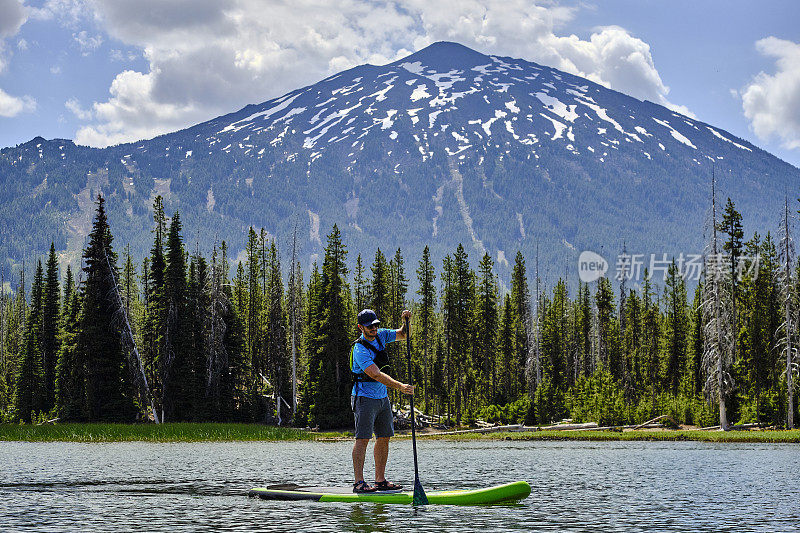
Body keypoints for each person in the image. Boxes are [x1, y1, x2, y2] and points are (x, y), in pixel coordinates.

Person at [350, 308, 415, 493]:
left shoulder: (382, 335)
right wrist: (401, 386)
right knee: (362, 438)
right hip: (363, 397)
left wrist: (406, 320)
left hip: (382, 398)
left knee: (384, 437)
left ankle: (380, 480)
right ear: (360, 327)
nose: (374, 328)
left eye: (376, 325)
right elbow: (375, 374)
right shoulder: (359, 349)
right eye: (370, 326)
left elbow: (403, 334)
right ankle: (359, 482)